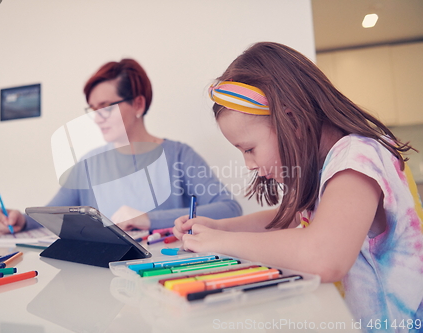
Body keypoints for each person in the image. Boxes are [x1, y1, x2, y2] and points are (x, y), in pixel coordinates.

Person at [173, 42, 423, 330]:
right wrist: (220, 228)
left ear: (292, 120)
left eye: (249, 148)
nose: (249, 164)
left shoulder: (357, 159)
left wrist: (219, 242)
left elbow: (325, 256)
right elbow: (286, 217)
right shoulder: (321, 168)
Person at [0, 59, 241, 234]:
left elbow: (230, 209)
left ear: (138, 104)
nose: (97, 117)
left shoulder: (179, 156)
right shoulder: (88, 166)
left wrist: (148, 219)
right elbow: (54, 215)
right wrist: (20, 220)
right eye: (92, 109)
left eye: (106, 106)